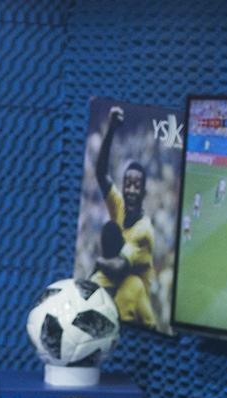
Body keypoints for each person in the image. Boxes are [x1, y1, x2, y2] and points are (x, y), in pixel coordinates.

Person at [89, 106, 160, 327]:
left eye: (136, 186)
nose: (130, 189)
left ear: (144, 193)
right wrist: (111, 129)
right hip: (116, 285)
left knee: (130, 285)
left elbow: (119, 267)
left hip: (135, 300)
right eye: (127, 184)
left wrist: (98, 261)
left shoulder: (144, 231)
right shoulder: (119, 207)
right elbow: (101, 174)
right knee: (91, 286)